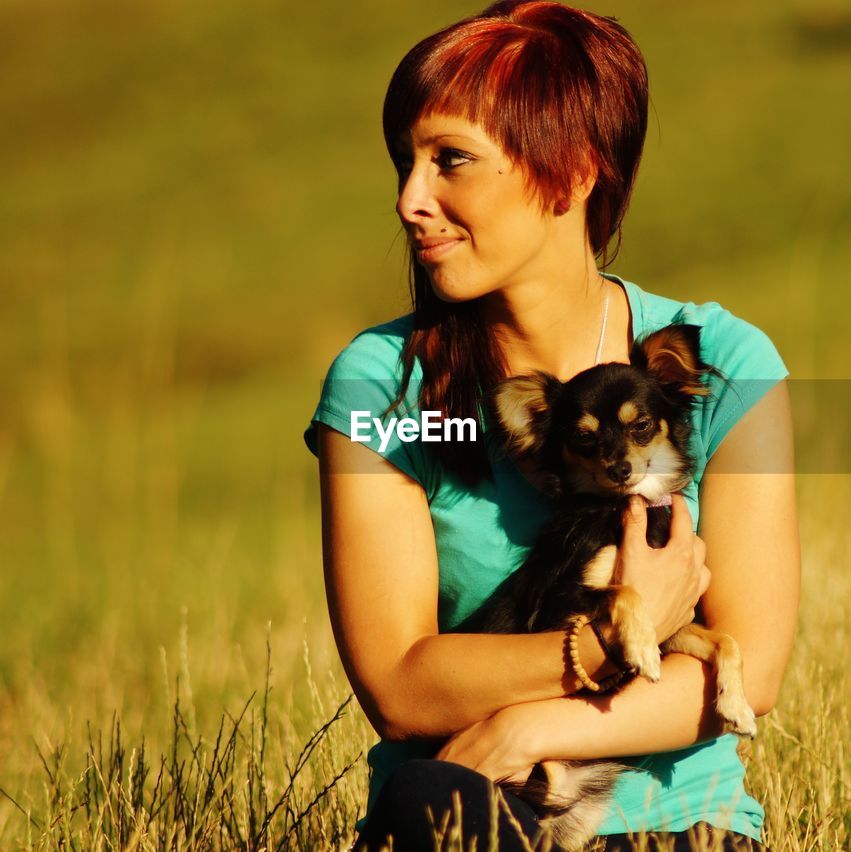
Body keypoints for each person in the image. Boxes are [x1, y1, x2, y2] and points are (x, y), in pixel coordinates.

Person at [303, 2, 800, 849]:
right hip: (471, 817)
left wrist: (528, 728)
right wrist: (612, 632)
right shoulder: (380, 386)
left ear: (570, 174)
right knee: (430, 802)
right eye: (404, 162)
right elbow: (402, 688)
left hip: (680, 828)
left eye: (450, 161)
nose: (409, 199)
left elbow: (747, 676)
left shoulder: (718, 362)